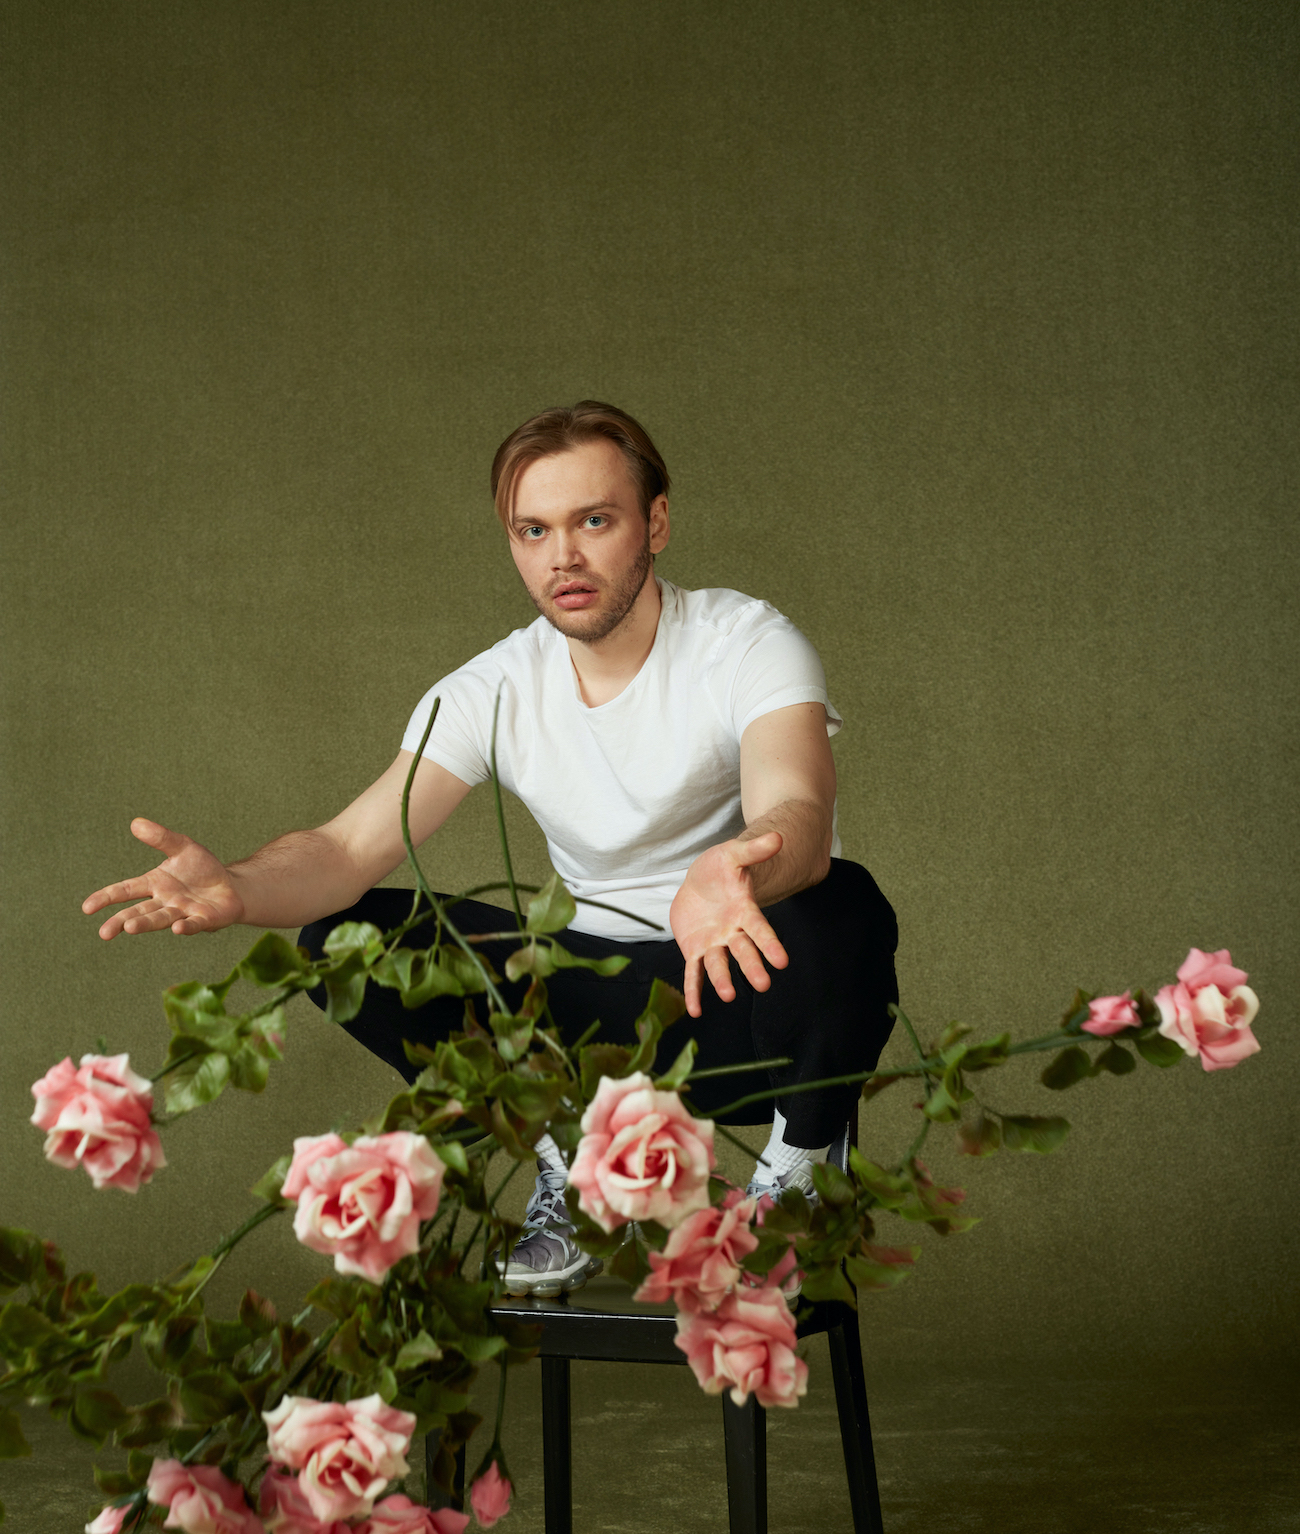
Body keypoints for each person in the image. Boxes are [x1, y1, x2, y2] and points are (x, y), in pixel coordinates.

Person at [83, 401, 899, 1294]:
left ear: (655, 521)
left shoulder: (745, 641)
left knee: (841, 902)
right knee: (351, 940)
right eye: (534, 530)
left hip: (741, 1004)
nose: (564, 557)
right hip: (588, 1030)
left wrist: (736, 866)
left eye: (595, 520)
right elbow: (347, 848)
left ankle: (797, 1172)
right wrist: (237, 888)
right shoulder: (492, 688)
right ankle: (576, 1163)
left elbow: (798, 805)